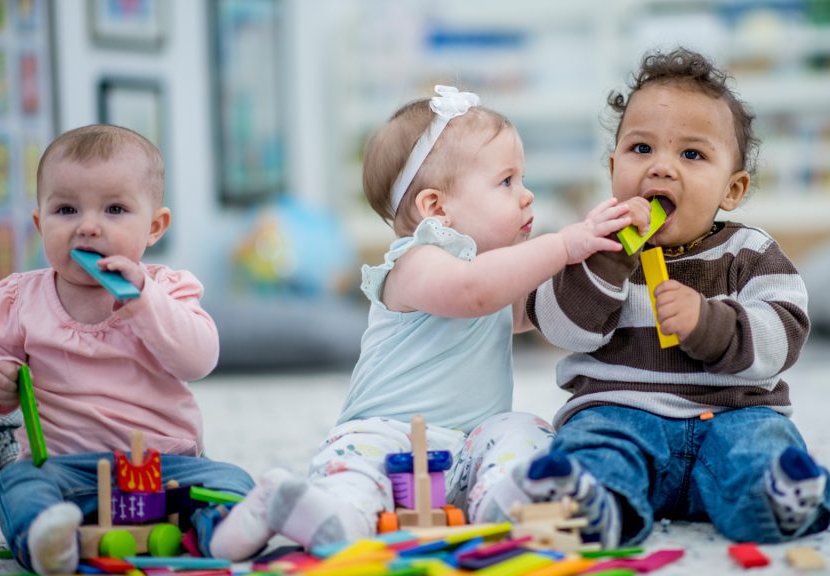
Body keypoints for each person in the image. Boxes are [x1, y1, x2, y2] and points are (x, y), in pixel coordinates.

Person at [209, 85, 633, 560]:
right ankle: (319, 510)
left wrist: (598, 264)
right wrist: (561, 245)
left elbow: (543, 309)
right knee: (356, 469)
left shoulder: (493, 272)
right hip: (387, 435)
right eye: (506, 181)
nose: (526, 194)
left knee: (524, 428)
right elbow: (473, 291)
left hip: (470, 446)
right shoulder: (416, 262)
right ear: (436, 209)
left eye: (522, 178)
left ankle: (506, 498)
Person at [515, 47, 830, 548]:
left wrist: (710, 324)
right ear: (613, 167)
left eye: (691, 155)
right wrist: (607, 261)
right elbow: (562, 328)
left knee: (762, 445)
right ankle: (592, 503)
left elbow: (785, 334)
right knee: (594, 444)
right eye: (641, 148)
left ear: (732, 190)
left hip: (732, 415)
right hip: (620, 413)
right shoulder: (590, 244)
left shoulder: (750, 252)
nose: (661, 168)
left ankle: (778, 496)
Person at [0, 124, 253, 574]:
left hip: (166, 466)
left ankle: (224, 532)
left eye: (115, 209)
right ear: (40, 224)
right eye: (66, 209)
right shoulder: (20, 300)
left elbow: (199, 360)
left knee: (232, 480)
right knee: (16, 482)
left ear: (154, 227)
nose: (88, 226)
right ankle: (48, 540)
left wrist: (145, 302)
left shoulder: (168, 290)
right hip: (65, 469)